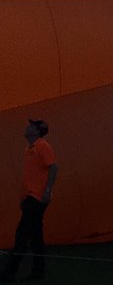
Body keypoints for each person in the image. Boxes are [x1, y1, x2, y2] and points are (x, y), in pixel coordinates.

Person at [0, 119, 57, 282]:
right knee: (35, 235)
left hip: (37, 198)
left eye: (30, 126)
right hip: (29, 198)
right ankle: (38, 271)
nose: (27, 127)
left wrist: (47, 190)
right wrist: (22, 198)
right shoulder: (28, 148)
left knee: (22, 234)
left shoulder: (43, 146)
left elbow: (53, 167)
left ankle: (9, 272)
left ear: (37, 131)